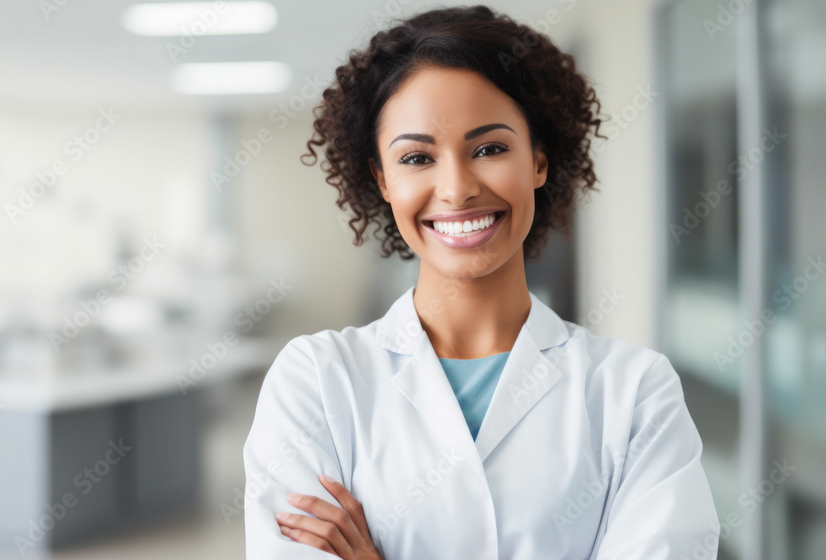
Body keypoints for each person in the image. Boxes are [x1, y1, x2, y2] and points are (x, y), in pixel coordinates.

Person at [242, 5, 720, 559]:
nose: (456, 188)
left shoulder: (634, 392)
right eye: (417, 157)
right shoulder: (317, 383)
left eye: (489, 149)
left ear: (538, 160)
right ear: (383, 180)